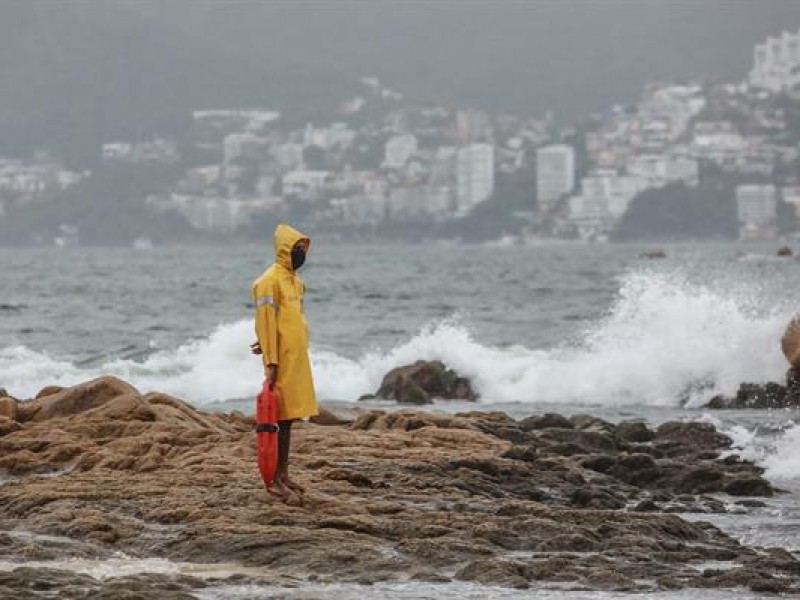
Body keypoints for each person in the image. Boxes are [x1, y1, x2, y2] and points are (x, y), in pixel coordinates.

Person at [251, 223, 318, 498]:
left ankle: (285, 474)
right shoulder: (269, 281)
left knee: (290, 419)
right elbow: (265, 322)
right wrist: (271, 359)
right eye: (297, 248)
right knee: (278, 419)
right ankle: (273, 480)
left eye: (304, 248)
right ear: (285, 250)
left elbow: (288, 320)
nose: (302, 253)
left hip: (297, 357)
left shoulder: (296, 281)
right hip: (281, 361)